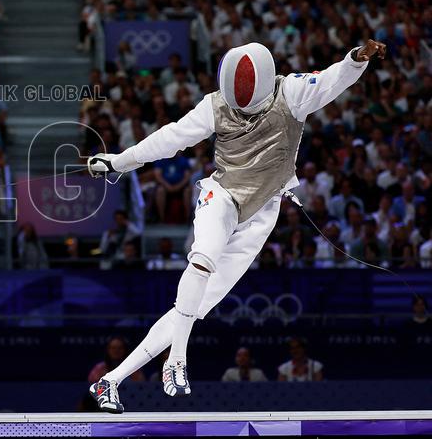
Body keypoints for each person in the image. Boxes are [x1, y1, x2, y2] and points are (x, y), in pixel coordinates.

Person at [86, 39, 382, 413]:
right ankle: (177, 358)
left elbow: (334, 79)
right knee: (202, 259)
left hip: (262, 213)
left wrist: (356, 58)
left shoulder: (291, 92)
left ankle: (109, 380)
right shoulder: (215, 105)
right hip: (222, 196)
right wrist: (118, 162)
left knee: (195, 307)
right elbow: (169, 138)